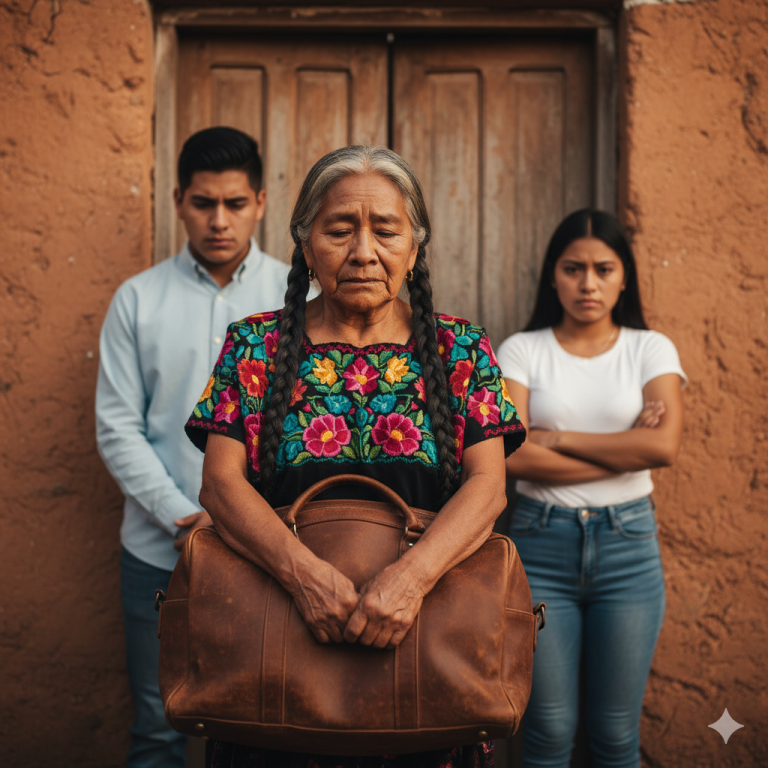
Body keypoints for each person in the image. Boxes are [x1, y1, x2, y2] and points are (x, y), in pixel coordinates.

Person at [184, 145, 527, 768]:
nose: (363, 251)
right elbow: (221, 485)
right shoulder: (253, 345)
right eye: (340, 229)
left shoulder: (460, 349)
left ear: (415, 245)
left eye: (386, 230)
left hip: (428, 652)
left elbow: (488, 489)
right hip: (275, 653)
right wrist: (304, 577)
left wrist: (409, 579)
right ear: (305, 242)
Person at [96, 126, 292, 768]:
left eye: (235, 204)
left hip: (272, 555)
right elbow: (118, 426)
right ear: (179, 199)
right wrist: (186, 517)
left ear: (261, 202)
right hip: (158, 552)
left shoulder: (302, 301)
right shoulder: (137, 300)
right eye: (203, 203)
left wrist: (244, 521)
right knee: (158, 726)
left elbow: (310, 436)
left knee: (268, 726)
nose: (218, 221)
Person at [495, 209, 686, 768]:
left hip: (629, 551)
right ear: (552, 276)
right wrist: (624, 447)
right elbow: (513, 455)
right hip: (540, 546)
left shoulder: (650, 349)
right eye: (573, 268)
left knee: (614, 736)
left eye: (604, 269)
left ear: (624, 276)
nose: (588, 283)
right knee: (549, 732)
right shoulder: (522, 350)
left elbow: (664, 448)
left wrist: (555, 440)